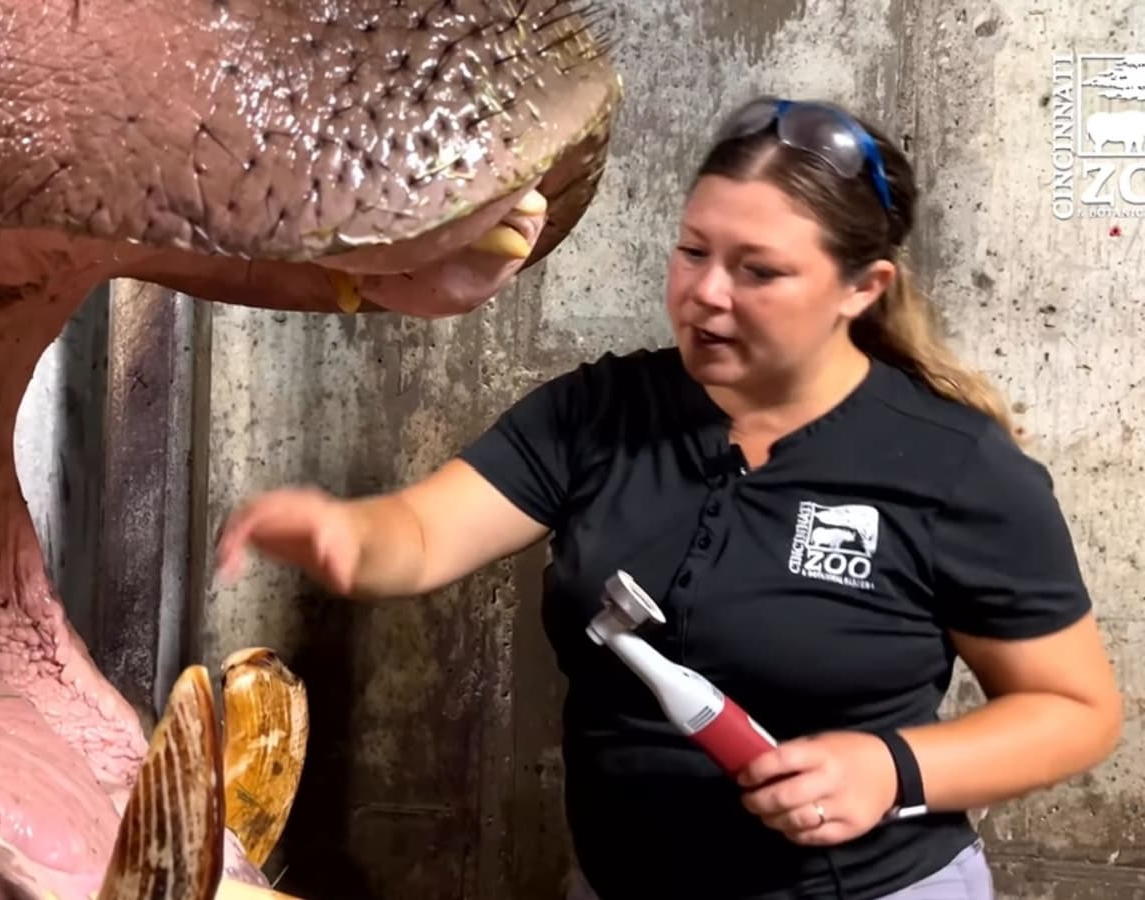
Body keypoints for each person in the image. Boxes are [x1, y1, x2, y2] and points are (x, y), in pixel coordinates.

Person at [212, 96, 1124, 899]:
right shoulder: (599, 410)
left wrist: (892, 767)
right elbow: (420, 529)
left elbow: (1075, 713)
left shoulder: (954, 465)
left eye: (757, 271)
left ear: (862, 288)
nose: (705, 295)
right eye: (693, 252)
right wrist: (345, 532)